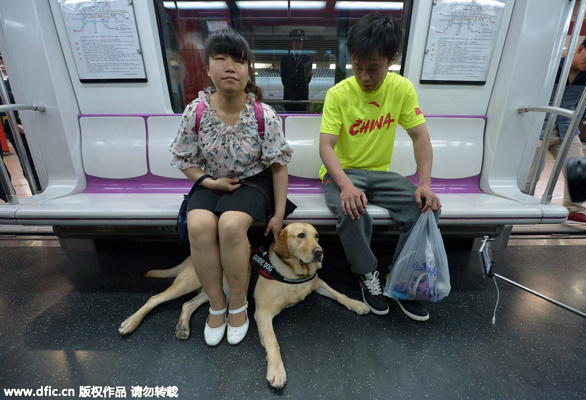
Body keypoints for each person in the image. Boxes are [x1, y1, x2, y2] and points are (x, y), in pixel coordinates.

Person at [169, 29, 295, 346]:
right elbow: (184, 159)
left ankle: (238, 301)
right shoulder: (195, 113)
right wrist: (210, 182)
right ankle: (216, 303)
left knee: (230, 224)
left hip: (253, 181)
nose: (230, 67)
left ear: (248, 71)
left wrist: (278, 215)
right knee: (199, 226)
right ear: (208, 68)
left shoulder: (263, 116)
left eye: (238, 61)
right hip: (211, 180)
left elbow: (279, 167)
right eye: (220, 59)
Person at [319, 13, 442, 321]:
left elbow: (420, 137)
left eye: (373, 68)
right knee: (351, 210)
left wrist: (424, 184)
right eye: (357, 67)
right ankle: (367, 274)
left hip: (379, 173)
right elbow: (326, 147)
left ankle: (400, 277)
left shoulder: (401, 90)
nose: (364, 77)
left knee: (427, 208)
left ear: (392, 59)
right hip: (343, 174)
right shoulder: (338, 95)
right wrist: (345, 185)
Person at [525, 32, 586, 225]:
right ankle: (523, 208)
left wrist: (577, 127)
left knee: (581, 171)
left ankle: (575, 210)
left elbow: (583, 104)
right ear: (580, 49)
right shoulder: (551, 68)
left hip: (567, 129)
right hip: (539, 128)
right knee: (531, 173)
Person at [0, 53, 42, 193]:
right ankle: (38, 193)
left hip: (41, 130)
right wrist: (21, 128)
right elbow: (4, 115)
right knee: (29, 166)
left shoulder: (31, 83)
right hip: (19, 133)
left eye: (5, 63)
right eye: (1, 63)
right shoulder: (4, 88)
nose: (2, 66)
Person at [280, 29, 312, 112]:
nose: (298, 44)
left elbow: (308, 78)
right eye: (296, 42)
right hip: (289, 97)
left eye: (300, 42)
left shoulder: (307, 58)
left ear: (302, 43)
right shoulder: (285, 59)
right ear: (292, 43)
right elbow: (283, 77)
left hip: (302, 97)